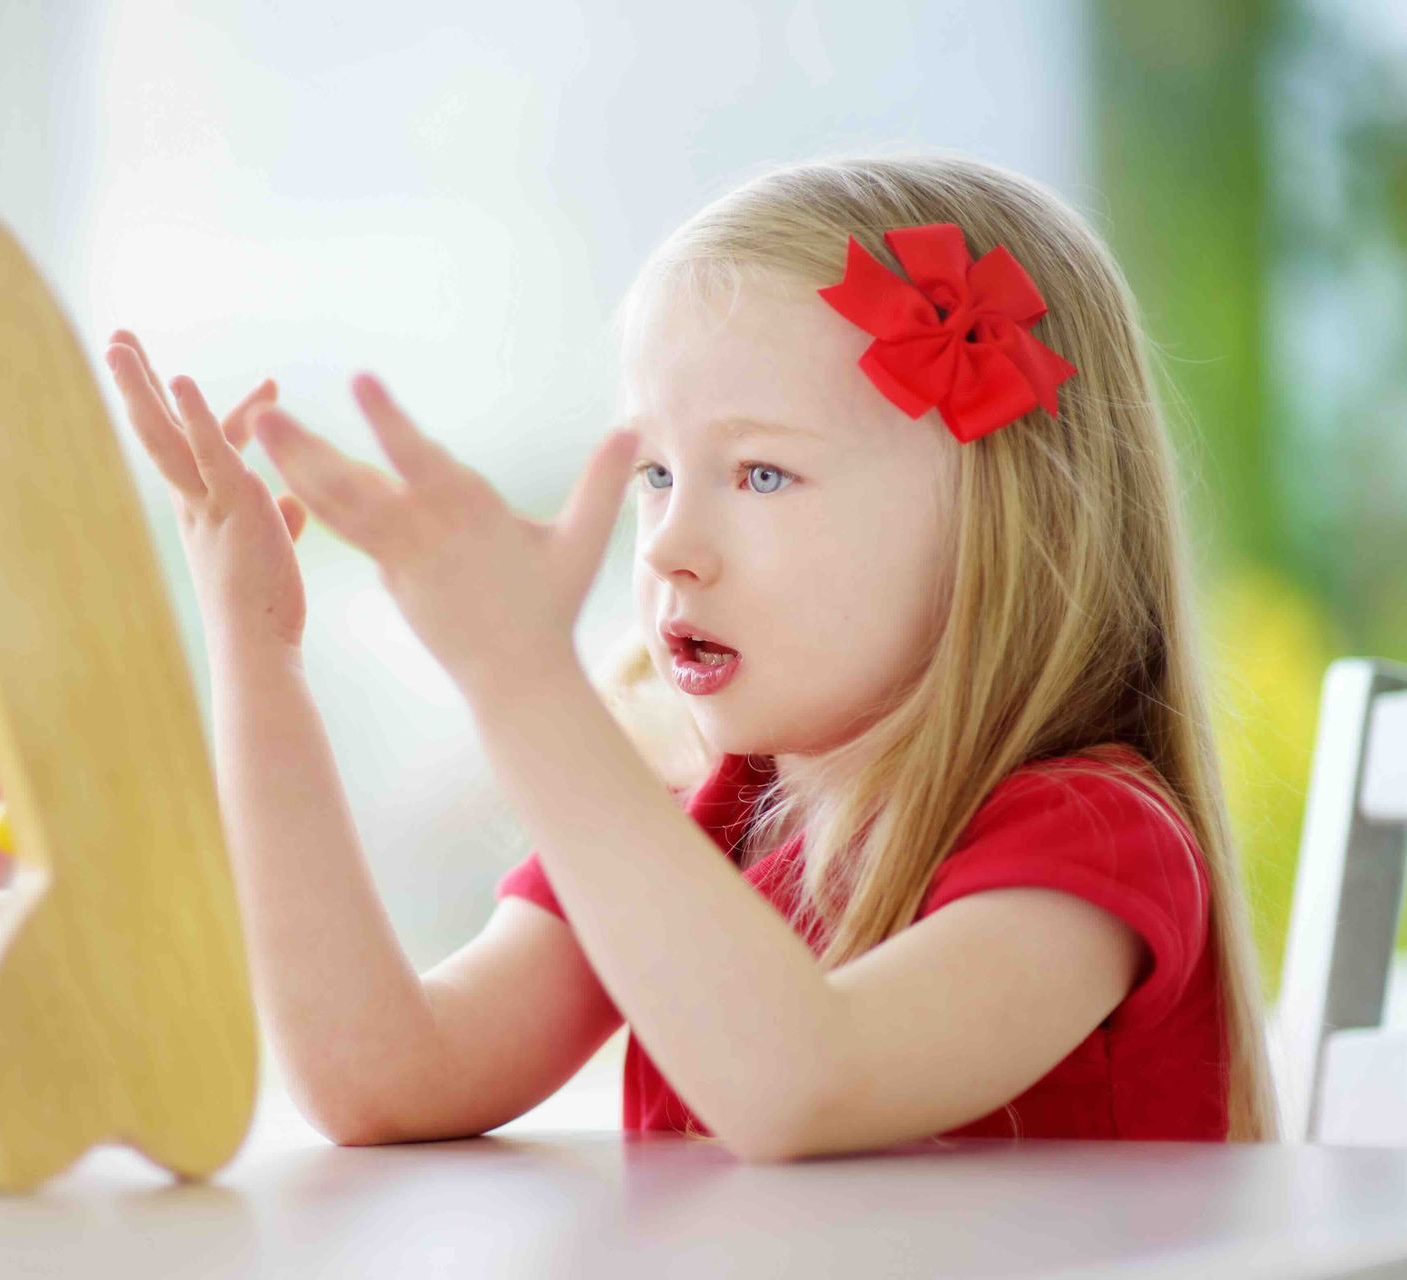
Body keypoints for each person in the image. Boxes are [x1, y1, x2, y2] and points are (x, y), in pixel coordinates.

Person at [103, 151, 1276, 1160]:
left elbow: (802, 1081)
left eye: (761, 473)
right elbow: (383, 1073)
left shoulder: (1092, 841)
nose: (668, 544)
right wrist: (258, 647)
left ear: (1006, 523)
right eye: (656, 472)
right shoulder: (696, 820)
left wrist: (523, 678)